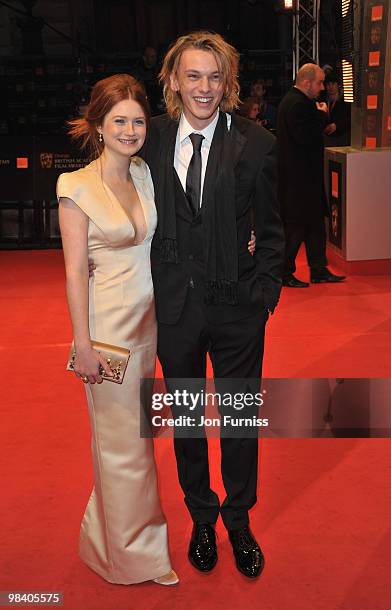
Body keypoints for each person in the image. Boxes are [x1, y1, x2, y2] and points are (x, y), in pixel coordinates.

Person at [142, 31, 284, 578]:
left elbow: (272, 227)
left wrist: (265, 293)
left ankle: (239, 520)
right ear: (174, 80)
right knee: (185, 420)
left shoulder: (257, 142)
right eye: (193, 75)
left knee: (240, 420)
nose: (204, 87)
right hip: (175, 307)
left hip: (237, 307)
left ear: (229, 83)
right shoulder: (149, 139)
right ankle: (201, 516)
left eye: (214, 76)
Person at [57, 74, 178, 586]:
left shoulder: (145, 175)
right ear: (98, 126)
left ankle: (109, 540)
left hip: (147, 327)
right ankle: (135, 557)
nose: (129, 130)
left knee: (137, 441)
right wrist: (82, 346)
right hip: (107, 333)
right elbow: (72, 272)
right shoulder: (75, 187)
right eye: (118, 121)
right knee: (122, 444)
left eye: (136, 120)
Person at [277, 63, 346, 288]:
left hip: (304, 178)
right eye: (319, 82)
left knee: (315, 224)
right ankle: (284, 272)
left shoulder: (296, 102)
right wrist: (322, 115)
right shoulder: (298, 104)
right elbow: (304, 136)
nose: (322, 87)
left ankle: (318, 269)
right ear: (307, 82)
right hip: (300, 179)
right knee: (296, 226)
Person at [323, 72, 351, 147]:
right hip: (327, 138)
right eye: (328, 84)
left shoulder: (345, 101)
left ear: (338, 85)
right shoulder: (323, 100)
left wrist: (337, 126)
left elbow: (351, 119)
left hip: (342, 138)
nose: (331, 87)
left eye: (333, 84)